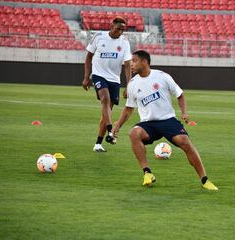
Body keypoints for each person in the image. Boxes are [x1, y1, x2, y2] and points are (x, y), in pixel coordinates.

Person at [112, 50, 218, 190]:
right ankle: (147, 173)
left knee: (185, 143)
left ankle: (205, 180)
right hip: (148, 124)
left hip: (167, 120)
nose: (131, 64)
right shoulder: (132, 83)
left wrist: (184, 112)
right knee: (133, 133)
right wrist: (118, 125)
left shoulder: (162, 76)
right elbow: (129, 108)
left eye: (134, 61)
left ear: (144, 62)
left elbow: (180, 94)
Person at [82, 16, 132, 152]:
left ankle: (98, 143)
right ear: (111, 26)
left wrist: (129, 85)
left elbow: (127, 65)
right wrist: (87, 77)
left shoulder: (125, 43)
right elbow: (88, 57)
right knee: (105, 98)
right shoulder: (98, 37)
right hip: (99, 75)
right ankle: (111, 130)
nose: (120, 32)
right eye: (118, 29)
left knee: (107, 112)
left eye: (123, 30)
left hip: (115, 79)